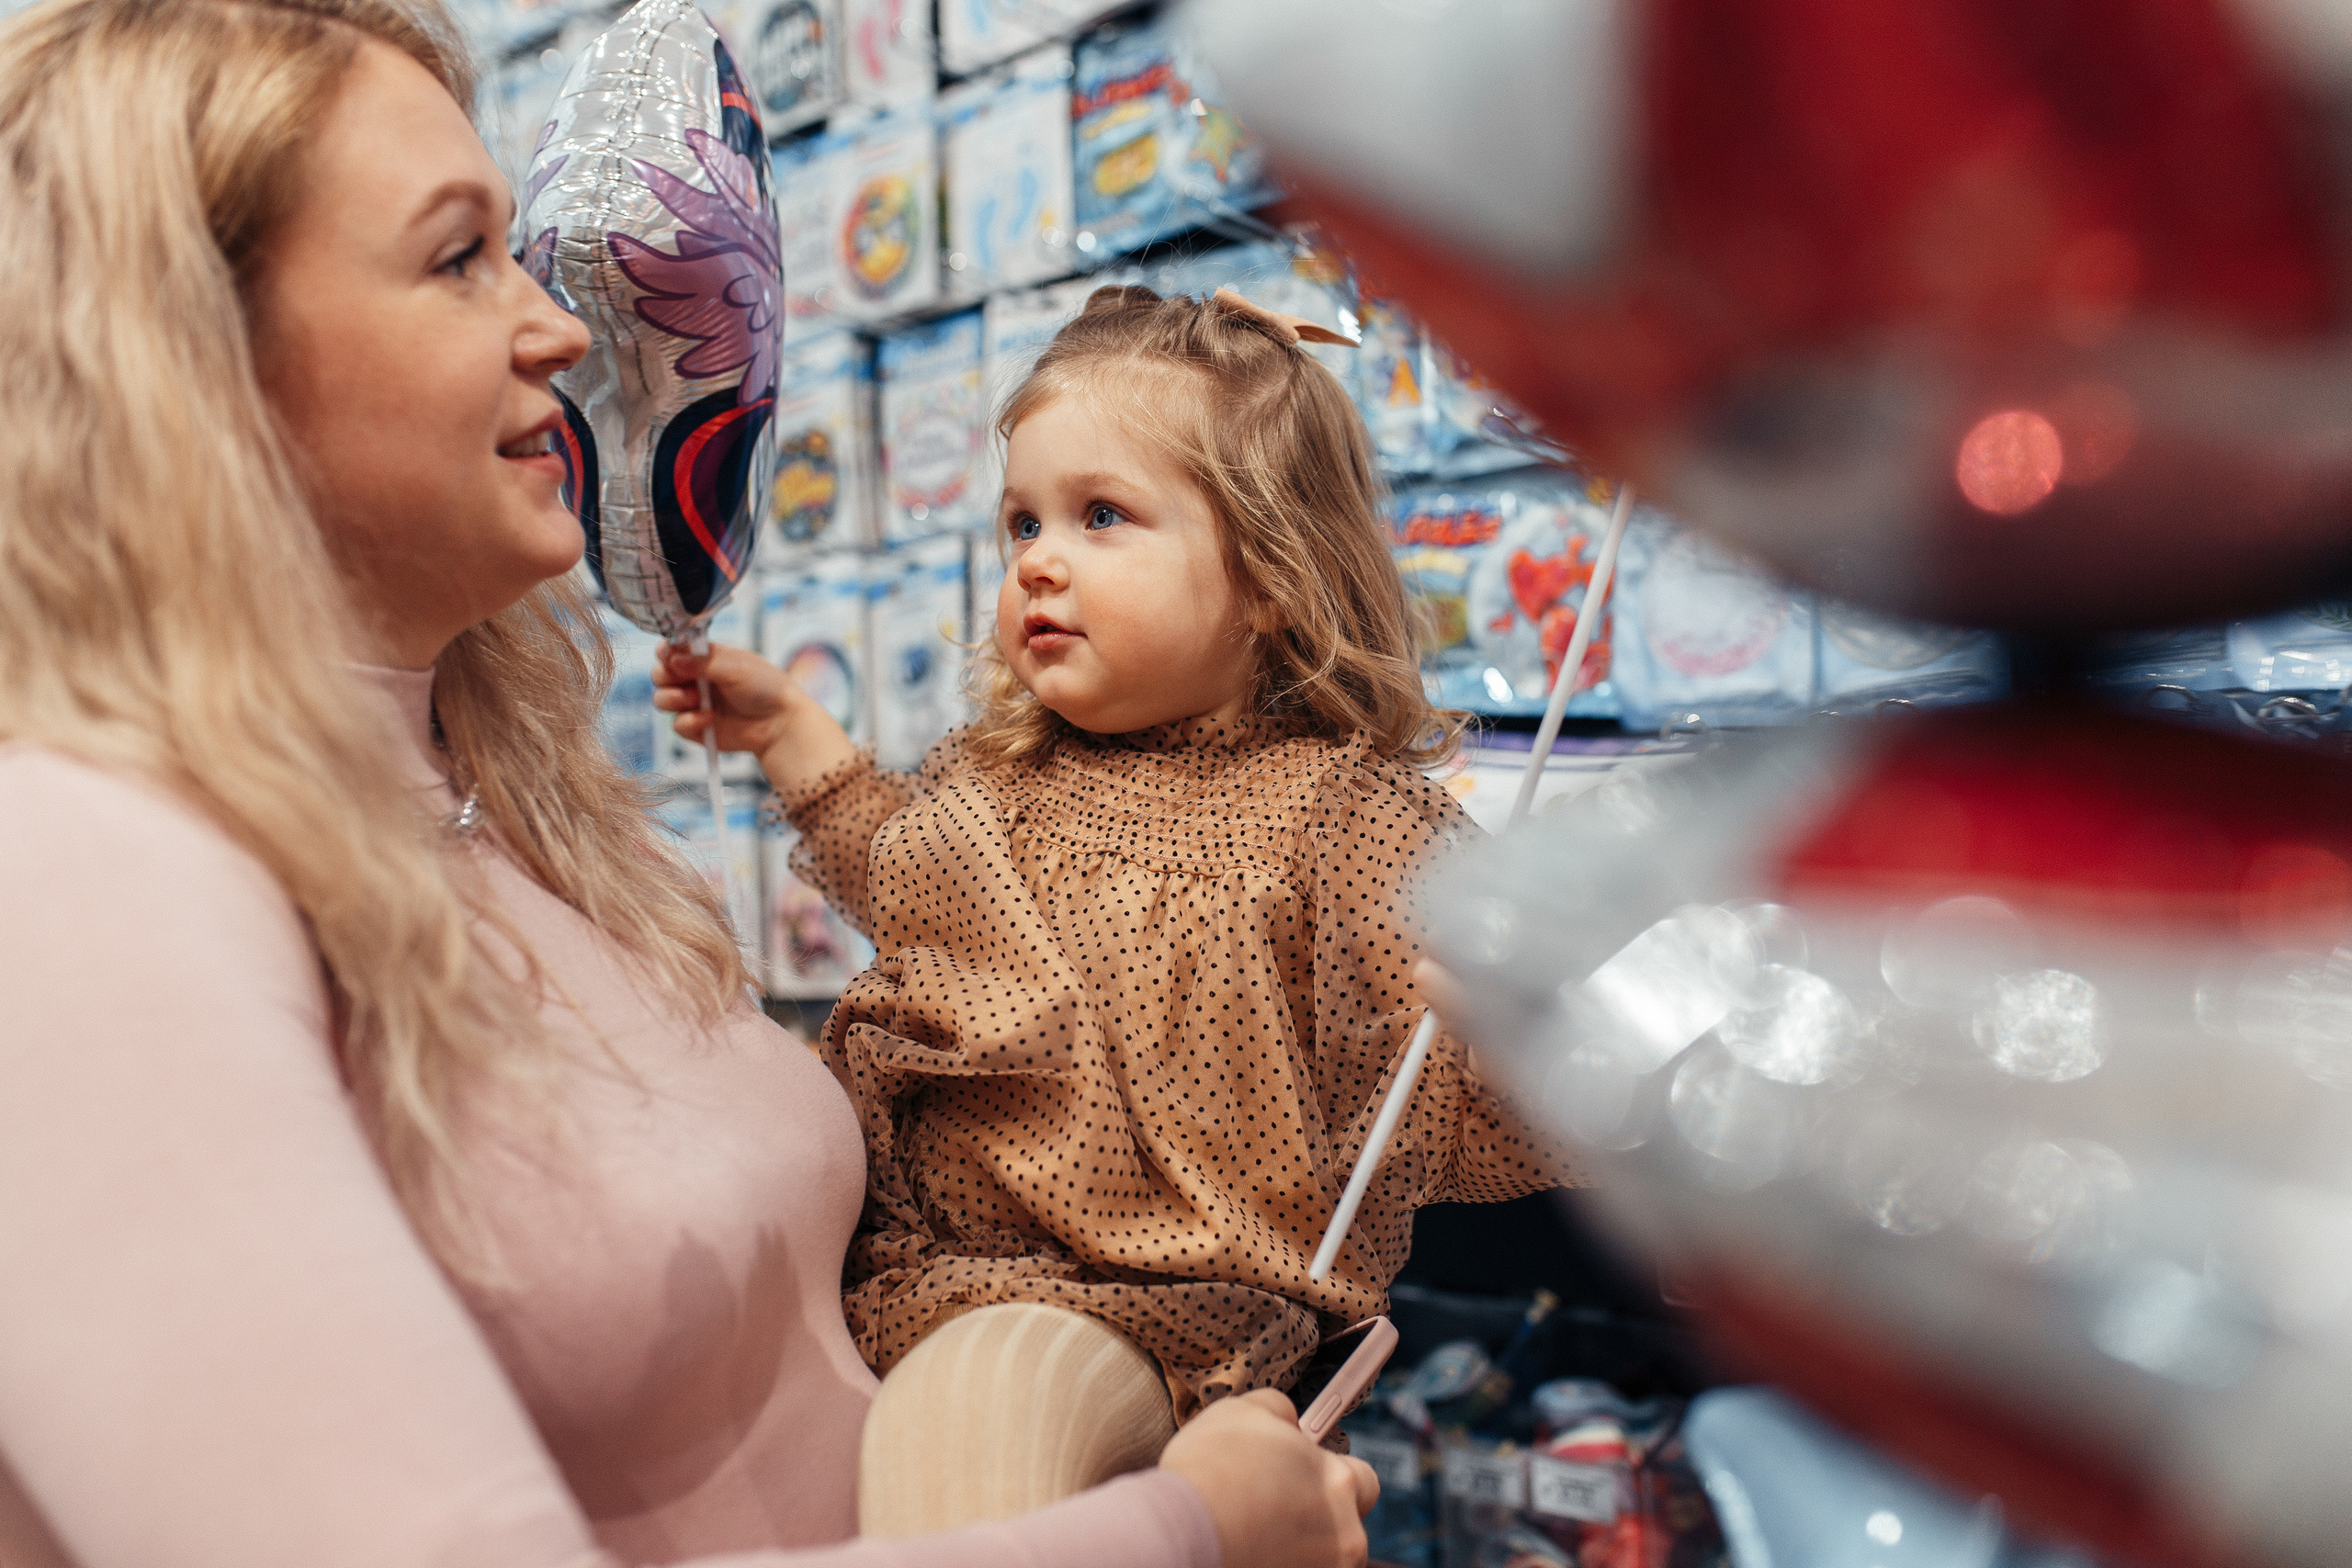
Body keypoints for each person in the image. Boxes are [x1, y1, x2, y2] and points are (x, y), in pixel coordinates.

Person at [0, 4, 1371, 1566]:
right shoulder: (75, 879)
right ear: (184, 353)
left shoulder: (489, 795)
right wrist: (1190, 1533)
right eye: (460, 260)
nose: (562, 330)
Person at [658, 285, 1576, 1533]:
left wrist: (1541, 1041)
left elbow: (1456, 1096)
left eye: (1103, 517)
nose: (1039, 557)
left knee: (989, 1413)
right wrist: (792, 736)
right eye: (1021, 520)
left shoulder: (1341, 816)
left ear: (1271, 578)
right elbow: (905, 880)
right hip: (912, 1273)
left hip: (1186, 1325)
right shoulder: (999, 779)